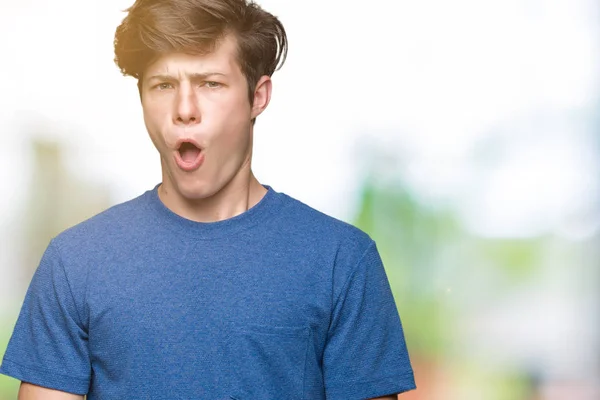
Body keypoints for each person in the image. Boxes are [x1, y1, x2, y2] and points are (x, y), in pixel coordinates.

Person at [0, 0, 416, 398]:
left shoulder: (341, 261)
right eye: (163, 85)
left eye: (210, 84)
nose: (184, 109)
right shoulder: (74, 262)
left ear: (258, 96)